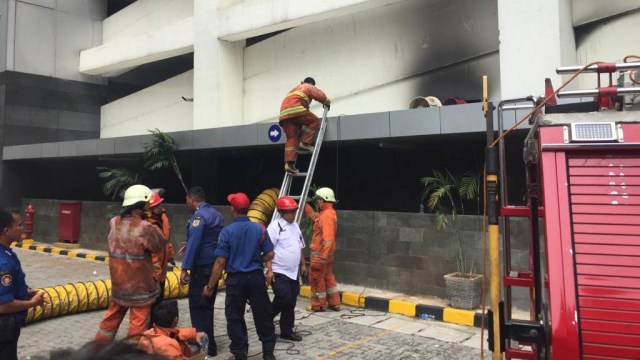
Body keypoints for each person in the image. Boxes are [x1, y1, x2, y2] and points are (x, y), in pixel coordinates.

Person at [203, 193, 277, 360]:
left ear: (233, 209)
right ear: (248, 208)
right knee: (263, 314)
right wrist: (257, 259)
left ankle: (240, 352)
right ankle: (268, 353)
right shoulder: (260, 229)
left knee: (235, 316)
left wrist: (209, 286)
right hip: (256, 277)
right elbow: (270, 253)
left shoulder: (227, 232)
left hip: (236, 280)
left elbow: (220, 262)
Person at [95, 185, 167, 344]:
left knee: (109, 323)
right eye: (148, 203)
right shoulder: (145, 227)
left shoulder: (114, 222)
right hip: (140, 290)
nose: (150, 206)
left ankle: (96, 351)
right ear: (141, 205)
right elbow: (159, 244)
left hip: (119, 287)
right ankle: (131, 355)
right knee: (137, 329)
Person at [179, 186, 224, 356]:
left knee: (197, 308)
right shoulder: (216, 214)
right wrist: (189, 243)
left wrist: (185, 268)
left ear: (191, 199)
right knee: (207, 306)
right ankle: (210, 346)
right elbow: (209, 240)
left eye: (186, 200)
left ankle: (204, 348)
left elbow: (196, 243)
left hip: (201, 268)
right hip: (213, 268)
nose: (186, 203)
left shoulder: (199, 216)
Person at [0, 208, 47, 359]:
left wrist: (25, 292)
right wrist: (33, 303)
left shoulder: (7, 253)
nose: (23, 228)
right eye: (19, 225)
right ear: (7, 231)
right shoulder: (4, 262)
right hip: (4, 326)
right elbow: (4, 305)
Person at [266, 196, 307, 341]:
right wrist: (269, 270)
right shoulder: (274, 227)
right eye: (290, 212)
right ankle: (266, 318)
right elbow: (267, 250)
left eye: (294, 211)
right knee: (284, 297)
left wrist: (302, 264)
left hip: (293, 272)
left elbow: (301, 246)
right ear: (282, 212)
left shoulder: (295, 226)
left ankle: (286, 330)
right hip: (279, 270)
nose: (293, 214)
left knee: (291, 301)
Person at [279, 77, 331, 173]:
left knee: (291, 138)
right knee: (314, 121)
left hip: (284, 115)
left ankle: (289, 164)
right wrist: (326, 101)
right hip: (295, 109)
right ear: (311, 83)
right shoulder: (307, 86)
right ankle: (305, 143)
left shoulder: (294, 89)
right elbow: (319, 95)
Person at [304, 187, 340, 312]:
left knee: (316, 278)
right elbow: (317, 218)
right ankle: (334, 303)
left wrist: (323, 256)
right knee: (328, 276)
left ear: (325, 200)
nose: (317, 202)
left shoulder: (327, 215)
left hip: (320, 255)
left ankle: (318, 305)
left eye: (319, 200)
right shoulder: (327, 212)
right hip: (326, 255)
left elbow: (328, 238)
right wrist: (307, 208)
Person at [138, 300, 207, 360]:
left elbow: (174, 332)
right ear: (175, 320)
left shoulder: (146, 334)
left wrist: (193, 333)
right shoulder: (170, 345)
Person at [147, 190, 174, 329]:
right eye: (156, 205)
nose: (159, 207)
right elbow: (151, 252)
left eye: (160, 204)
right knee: (150, 305)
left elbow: (166, 241)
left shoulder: (163, 218)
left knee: (159, 302)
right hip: (152, 274)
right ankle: (149, 330)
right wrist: (156, 274)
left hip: (161, 272)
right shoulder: (147, 224)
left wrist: (170, 255)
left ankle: (157, 329)